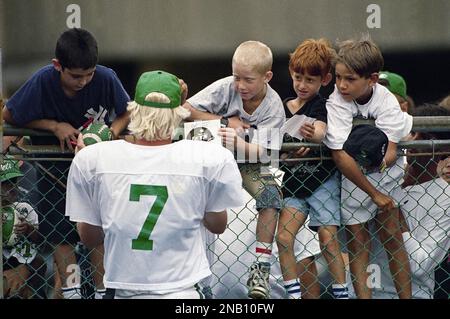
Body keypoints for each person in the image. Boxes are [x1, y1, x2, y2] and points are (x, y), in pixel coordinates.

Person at [65, 70, 244, 299]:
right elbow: (218, 224)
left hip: (123, 289)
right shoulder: (204, 157)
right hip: (183, 290)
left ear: (134, 111)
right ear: (176, 115)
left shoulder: (96, 158)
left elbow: (89, 237)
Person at [2, 28, 130, 299]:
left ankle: (102, 293)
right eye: (75, 75)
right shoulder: (42, 80)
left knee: (98, 234)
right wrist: (53, 125)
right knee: (62, 235)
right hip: (55, 169)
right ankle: (71, 295)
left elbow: (127, 113)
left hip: (97, 169)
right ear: (57, 66)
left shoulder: (107, 78)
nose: (83, 81)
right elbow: (9, 114)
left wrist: (108, 134)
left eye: (89, 74)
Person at [183, 40, 285, 299]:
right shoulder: (225, 87)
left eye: (248, 80)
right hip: (212, 163)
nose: (240, 85)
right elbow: (186, 111)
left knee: (271, 196)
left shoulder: (273, 106)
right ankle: (197, 277)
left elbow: (266, 153)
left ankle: (261, 266)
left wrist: (238, 142)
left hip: (248, 164)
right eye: (236, 76)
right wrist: (225, 121)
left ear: (267, 77)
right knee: (195, 204)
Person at [323, 35, 413, 299]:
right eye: (338, 77)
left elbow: (391, 153)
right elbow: (340, 156)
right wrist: (373, 193)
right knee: (358, 246)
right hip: (353, 180)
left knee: (392, 238)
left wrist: (375, 164)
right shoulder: (336, 100)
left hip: (385, 178)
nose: (341, 85)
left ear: (372, 79)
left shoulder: (386, 101)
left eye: (350, 79)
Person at [276, 39, 348, 299]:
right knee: (284, 238)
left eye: (309, 80)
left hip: (322, 181)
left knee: (328, 241)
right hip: (294, 183)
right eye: (298, 78)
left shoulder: (321, 105)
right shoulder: (282, 107)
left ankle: (341, 292)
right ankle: (293, 294)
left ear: (324, 80)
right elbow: (271, 142)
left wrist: (312, 135)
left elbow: (320, 129)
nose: (302, 85)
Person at [370, 104, 450, 298]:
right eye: (411, 132)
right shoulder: (384, 178)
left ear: (444, 147)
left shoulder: (446, 196)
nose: (412, 141)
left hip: (411, 294)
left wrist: (399, 223)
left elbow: (420, 265)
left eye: (423, 137)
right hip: (362, 290)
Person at [2, 156, 47, 298]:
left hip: (24, 260)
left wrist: (28, 229)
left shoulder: (24, 209)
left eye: (13, 182)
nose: (12, 188)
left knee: (36, 269)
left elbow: (42, 241)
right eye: (4, 184)